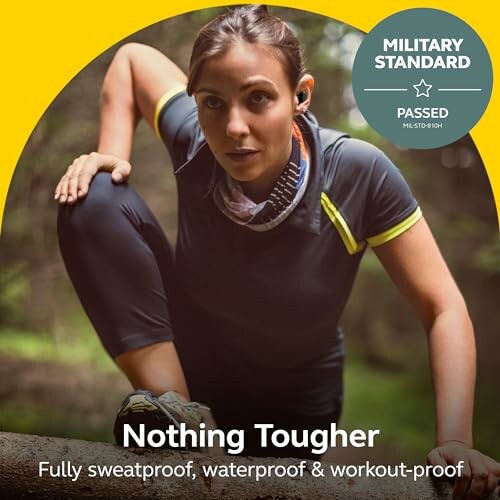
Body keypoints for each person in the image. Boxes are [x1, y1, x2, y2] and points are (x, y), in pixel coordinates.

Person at [55, 4, 499, 496]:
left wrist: (456, 440)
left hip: (292, 409)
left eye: (259, 98)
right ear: (196, 102)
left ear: (300, 96)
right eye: (213, 103)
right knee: (93, 193)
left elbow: (444, 307)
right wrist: (113, 155)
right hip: (193, 370)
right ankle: (177, 419)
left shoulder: (357, 175)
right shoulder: (196, 140)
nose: (234, 127)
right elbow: (133, 59)